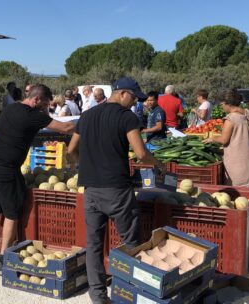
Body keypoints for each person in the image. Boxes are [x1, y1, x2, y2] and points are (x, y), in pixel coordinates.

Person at [68, 77, 165, 304]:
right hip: (117, 190)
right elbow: (140, 153)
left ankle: (98, 296)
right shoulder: (127, 117)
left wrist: (83, 164)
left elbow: (71, 148)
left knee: (93, 244)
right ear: (122, 93)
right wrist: (157, 165)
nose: (135, 103)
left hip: (90, 189)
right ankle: (128, 293)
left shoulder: (88, 115)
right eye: (134, 97)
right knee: (131, 242)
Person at [0, 84, 75, 275]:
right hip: (5, 169)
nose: (45, 109)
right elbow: (65, 127)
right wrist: (89, 121)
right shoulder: (33, 114)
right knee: (11, 213)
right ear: (37, 99)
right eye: (45, 105)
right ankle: (4, 259)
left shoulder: (11, 108)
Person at [203, 89, 249, 187]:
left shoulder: (231, 119)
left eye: (222, 104)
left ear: (227, 104)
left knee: (240, 196)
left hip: (240, 164)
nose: (222, 107)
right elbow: (244, 112)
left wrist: (212, 138)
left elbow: (224, 140)